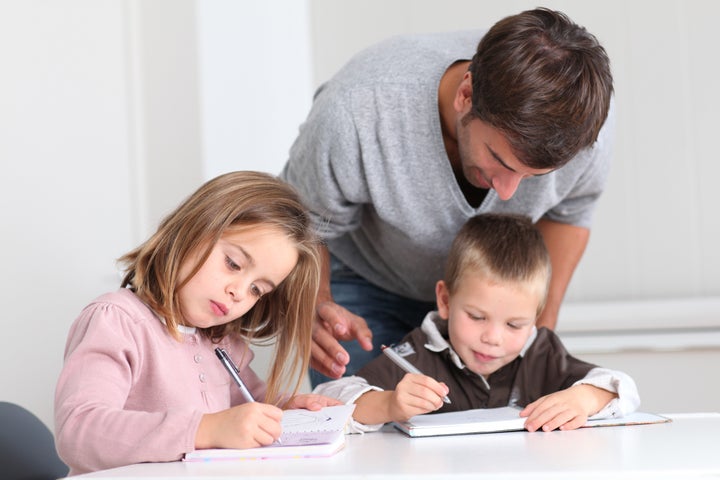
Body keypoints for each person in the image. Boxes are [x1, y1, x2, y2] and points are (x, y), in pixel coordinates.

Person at [280, 8, 615, 385]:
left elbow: (570, 214)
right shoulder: (356, 112)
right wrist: (311, 303)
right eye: (499, 160)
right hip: (365, 282)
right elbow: (301, 221)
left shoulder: (582, 130)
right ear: (466, 94)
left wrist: (538, 327)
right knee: (362, 419)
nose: (508, 192)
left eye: (533, 176)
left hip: (491, 302)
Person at [54, 171, 342, 475]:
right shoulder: (117, 321)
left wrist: (285, 410)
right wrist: (204, 429)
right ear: (192, 229)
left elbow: (250, 404)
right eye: (233, 264)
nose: (239, 292)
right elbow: (78, 431)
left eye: (257, 289)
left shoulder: (222, 343)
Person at [314, 213, 639, 433]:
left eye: (514, 325)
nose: (493, 338)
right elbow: (329, 400)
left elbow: (621, 388)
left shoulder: (541, 350)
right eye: (477, 317)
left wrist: (583, 398)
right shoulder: (417, 353)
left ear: (535, 318)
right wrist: (389, 404)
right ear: (445, 300)